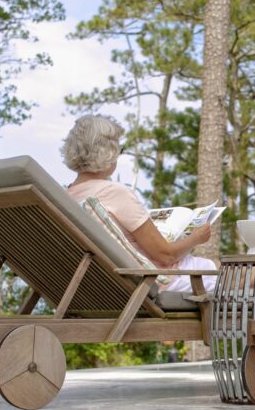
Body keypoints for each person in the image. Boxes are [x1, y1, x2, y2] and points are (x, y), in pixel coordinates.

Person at [62, 114, 217, 292]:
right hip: (153, 281)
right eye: (119, 150)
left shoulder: (68, 197)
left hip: (98, 286)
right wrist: (197, 237)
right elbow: (166, 256)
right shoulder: (113, 193)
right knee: (236, 275)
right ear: (108, 152)